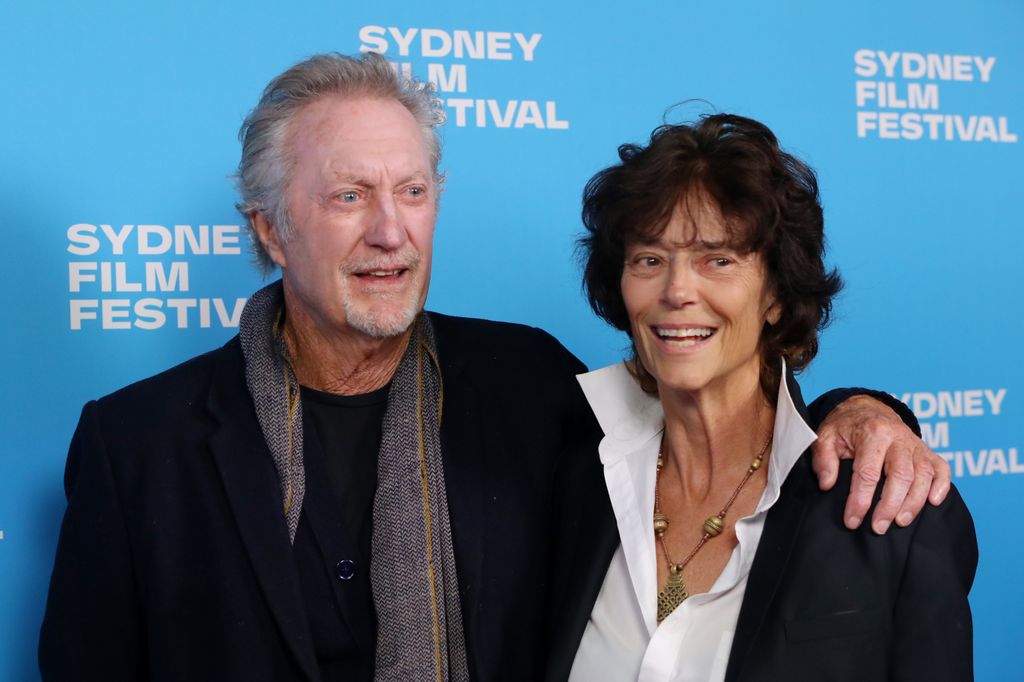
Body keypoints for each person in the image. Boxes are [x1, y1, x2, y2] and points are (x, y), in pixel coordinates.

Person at [39, 54, 949, 682]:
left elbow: (716, 400)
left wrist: (864, 410)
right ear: (271, 229)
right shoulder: (136, 446)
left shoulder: (533, 387)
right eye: (349, 195)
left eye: (412, 191)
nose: (390, 230)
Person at [554, 114, 976, 681]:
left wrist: (864, 407)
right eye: (649, 260)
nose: (677, 291)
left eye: (718, 260)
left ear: (776, 294)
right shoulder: (572, 482)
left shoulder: (888, 503)